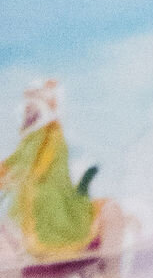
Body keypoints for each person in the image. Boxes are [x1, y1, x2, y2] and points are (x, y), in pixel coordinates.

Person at [0, 78, 96, 260]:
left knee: (35, 197)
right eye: (27, 104)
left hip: (48, 188)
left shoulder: (53, 133)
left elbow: (43, 164)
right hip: (29, 186)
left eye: (33, 104)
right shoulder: (30, 136)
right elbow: (15, 161)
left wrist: (22, 179)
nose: (28, 108)